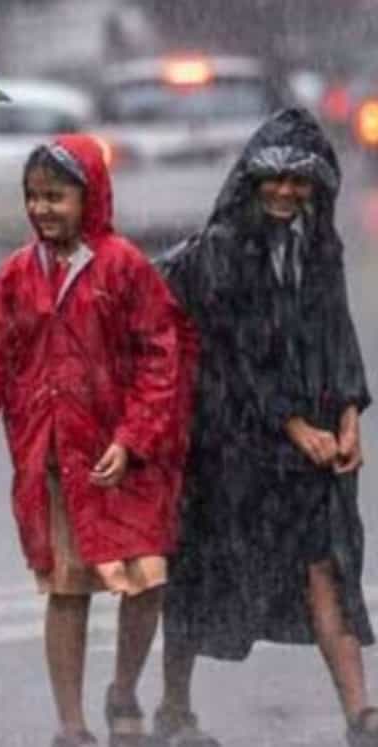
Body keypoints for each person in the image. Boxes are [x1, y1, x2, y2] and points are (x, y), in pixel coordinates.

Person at [0, 135, 190, 746]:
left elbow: (161, 358)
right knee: (67, 589)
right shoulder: (16, 277)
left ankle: (123, 689)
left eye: (57, 197)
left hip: (126, 462)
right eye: (33, 197)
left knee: (146, 580)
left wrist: (135, 436)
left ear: (89, 196)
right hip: (55, 461)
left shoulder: (123, 267)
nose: (43, 210)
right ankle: (71, 725)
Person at [154, 108, 378, 747]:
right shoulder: (224, 249)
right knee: (199, 572)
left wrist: (348, 416)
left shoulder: (318, 244)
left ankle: (361, 712)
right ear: (251, 181)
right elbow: (236, 350)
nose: (284, 191)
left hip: (307, 443)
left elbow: (336, 333)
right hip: (230, 444)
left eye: (298, 180)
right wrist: (291, 424)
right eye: (272, 179)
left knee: (326, 565)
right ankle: (174, 707)